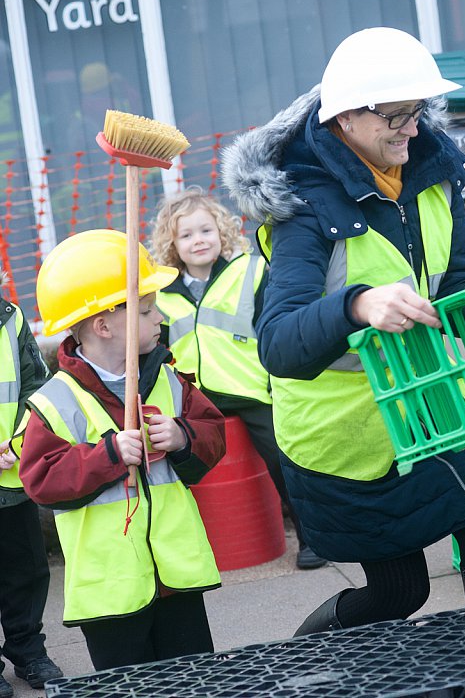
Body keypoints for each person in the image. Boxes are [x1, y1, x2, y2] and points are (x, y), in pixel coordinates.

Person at [222, 27, 465, 635]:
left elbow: (461, 287)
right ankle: (307, 658)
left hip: (433, 409)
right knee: (399, 592)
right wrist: (357, 305)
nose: (414, 129)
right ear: (346, 116)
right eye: (396, 116)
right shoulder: (302, 206)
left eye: (418, 112)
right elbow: (278, 344)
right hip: (350, 439)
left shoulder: (433, 172)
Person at [18, 229, 226, 671]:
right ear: (104, 325)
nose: (160, 317)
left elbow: (213, 432)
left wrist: (183, 436)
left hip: (176, 578)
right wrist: (108, 455)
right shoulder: (57, 399)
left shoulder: (167, 376)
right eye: (147, 310)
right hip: (110, 591)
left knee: (195, 682)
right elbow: (41, 480)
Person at [150, 187, 325, 570]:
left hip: (251, 389)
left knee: (286, 460)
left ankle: (312, 538)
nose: (198, 240)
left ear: (222, 232)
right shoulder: (161, 294)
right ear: (172, 244)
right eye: (187, 235)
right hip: (191, 397)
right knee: (174, 464)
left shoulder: (251, 271)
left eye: (206, 231)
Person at [0, 294, 62, 696]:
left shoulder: (10, 318)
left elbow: (35, 387)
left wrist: (17, 441)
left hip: (9, 472)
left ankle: (27, 648)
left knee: (26, 569)